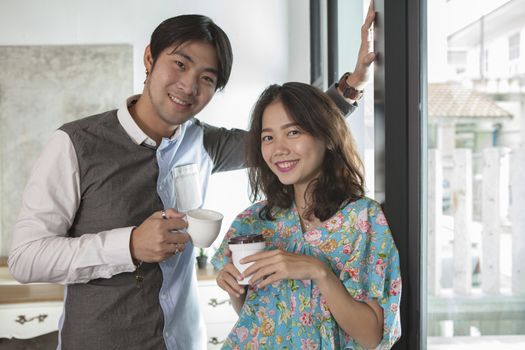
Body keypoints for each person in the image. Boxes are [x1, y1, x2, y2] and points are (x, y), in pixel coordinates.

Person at [8, 10, 375, 350]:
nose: (188, 85)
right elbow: (25, 259)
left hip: (184, 341)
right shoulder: (75, 144)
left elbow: (286, 137)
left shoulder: (203, 142)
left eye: (206, 79)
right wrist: (129, 245)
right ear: (150, 58)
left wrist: (353, 84)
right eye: (180, 64)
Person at [212, 82, 401, 349]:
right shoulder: (252, 220)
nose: (278, 149)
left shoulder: (362, 219)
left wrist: (319, 272)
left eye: (293, 132)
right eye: (268, 137)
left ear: (327, 135)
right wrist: (234, 287)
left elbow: (372, 337)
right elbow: (251, 318)